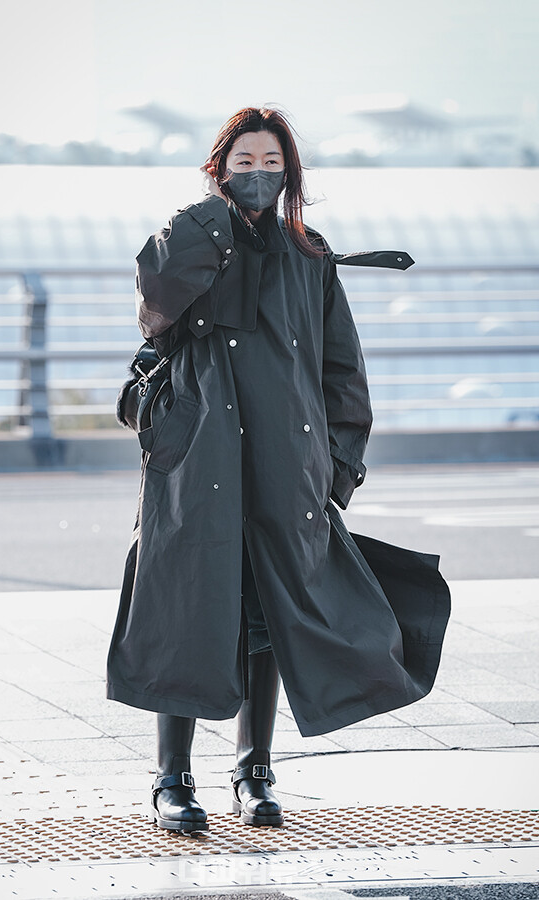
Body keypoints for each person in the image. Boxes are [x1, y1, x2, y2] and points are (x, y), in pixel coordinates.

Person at [107, 107, 450, 834]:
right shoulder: (188, 235)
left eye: (272, 164)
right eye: (244, 162)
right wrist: (214, 218)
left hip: (285, 464)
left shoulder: (309, 254)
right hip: (197, 461)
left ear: (289, 172)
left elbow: (341, 369)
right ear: (218, 169)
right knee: (186, 609)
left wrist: (337, 469)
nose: (258, 175)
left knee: (269, 612)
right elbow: (155, 302)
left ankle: (253, 768)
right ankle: (172, 777)